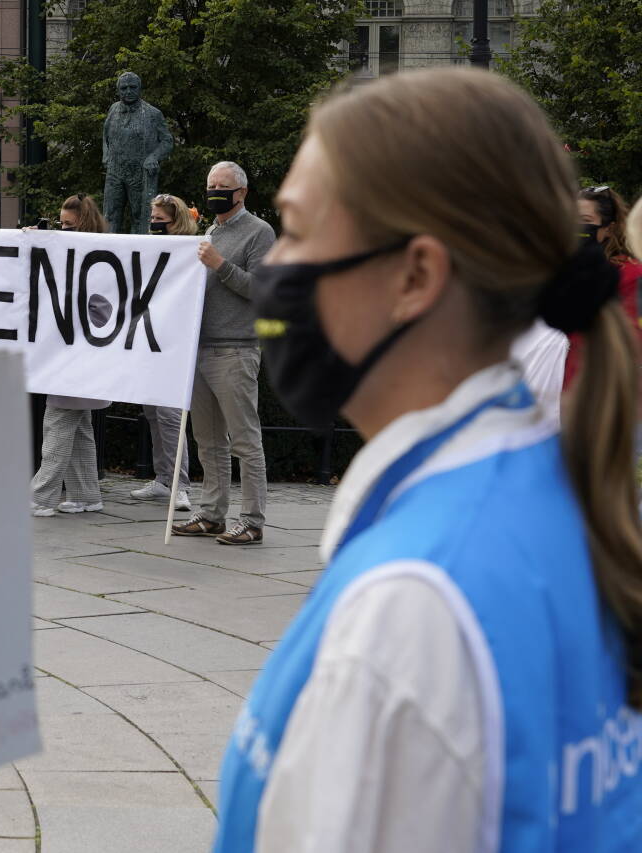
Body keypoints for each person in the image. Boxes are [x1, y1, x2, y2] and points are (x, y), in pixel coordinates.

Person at [215, 68, 642, 852]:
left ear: (415, 275)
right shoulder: (562, 492)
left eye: (302, 230)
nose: (277, 270)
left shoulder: (408, 608)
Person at [172, 162, 275, 545]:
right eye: (211, 185)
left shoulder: (260, 232)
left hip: (235, 349)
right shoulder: (211, 231)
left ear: (242, 192)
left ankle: (251, 520)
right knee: (209, 440)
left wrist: (221, 265)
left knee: (245, 440)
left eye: (223, 186)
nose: (216, 191)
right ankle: (212, 514)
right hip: (201, 348)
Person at [31, 194, 113, 516]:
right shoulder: (86, 256)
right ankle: (86, 494)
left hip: (77, 358)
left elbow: (101, 312)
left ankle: (41, 497)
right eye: (61, 223)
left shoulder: (94, 262)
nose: (63, 229)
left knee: (57, 424)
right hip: (79, 359)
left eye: (68, 224)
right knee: (78, 429)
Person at [131, 194, 194, 511]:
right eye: (152, 218)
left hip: (174, 345)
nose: (153, 224)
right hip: (151, 340)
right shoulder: (151, 247)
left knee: (171, 417)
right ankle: (162, 478)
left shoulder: (189, 252)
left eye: (159, 219)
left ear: (175, 220)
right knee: (154, 414)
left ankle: (180, 485)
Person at [563, 186, 642, 387]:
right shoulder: (562, 271)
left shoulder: (630, 275)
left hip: (601, 389)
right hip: (559, 390)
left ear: (609, 228)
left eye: (586, 221)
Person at [102, 72, 173, 234]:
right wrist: (105, 154)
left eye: (132, 87)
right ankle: (106, 249)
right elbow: (105, 135)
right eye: (124, 88)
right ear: (118, 90)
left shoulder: (152, 114)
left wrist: (154, 157)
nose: (128, 91)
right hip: (115, 171)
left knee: (140, 216)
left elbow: (167, 141)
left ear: (139, 88)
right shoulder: (113, 109)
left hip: (139, 172)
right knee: (110, 214)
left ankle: (138, 253)